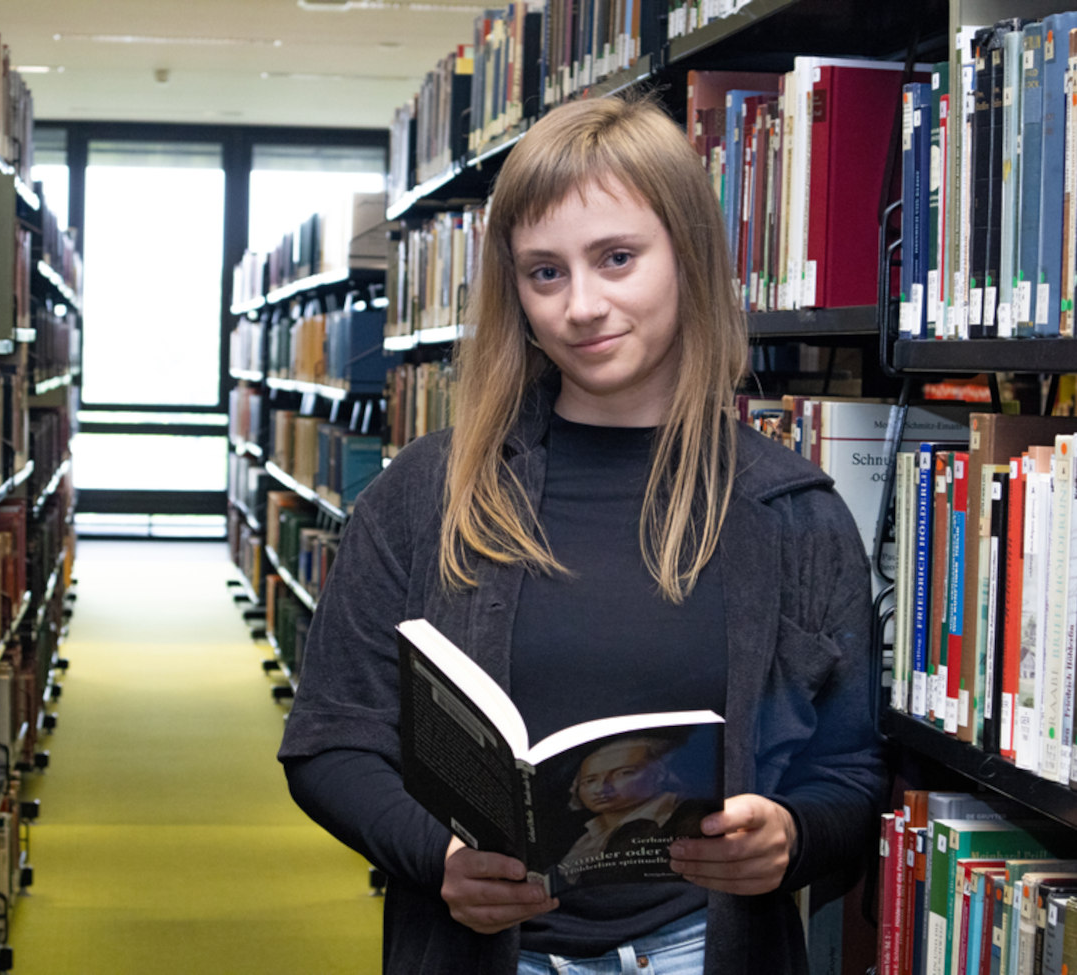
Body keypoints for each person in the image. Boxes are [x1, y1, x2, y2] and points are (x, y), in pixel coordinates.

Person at [277, 91, 885, 975]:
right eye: (545, 272)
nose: (582, 305)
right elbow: (330, 738)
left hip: (700, 951)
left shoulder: (792, 512)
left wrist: (789, 836)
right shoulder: (426, 493)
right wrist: (439, 859)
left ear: (690, 257)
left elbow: (852, 771)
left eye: (618, 258)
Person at [556, 735, 713, 888]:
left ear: (660, 774)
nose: (601, 788)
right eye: (590, 780)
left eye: (623, 773)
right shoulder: (587, 837)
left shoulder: (687, 816)